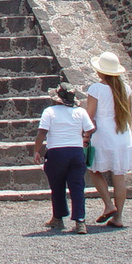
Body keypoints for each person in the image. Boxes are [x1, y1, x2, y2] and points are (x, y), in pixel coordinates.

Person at [87, 51, 132, 228]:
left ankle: (108, 205)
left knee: (94, 169)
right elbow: (128, 115)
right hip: (122, 135)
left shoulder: (96, 89)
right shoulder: (125, 89)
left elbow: (90, 116)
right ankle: (120, 217)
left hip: (103, 135)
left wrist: (85, 135)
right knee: (119, 175)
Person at [33, 82, 94, 234]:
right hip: (76, 151)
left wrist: (36, 151)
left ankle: (58, 217)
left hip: (56, 152)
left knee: (57, 186)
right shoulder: (80, 111)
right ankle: (80, 221)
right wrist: (84, 137)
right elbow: (91, 128)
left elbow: (42, 132)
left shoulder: (50, 111)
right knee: (77, 186)